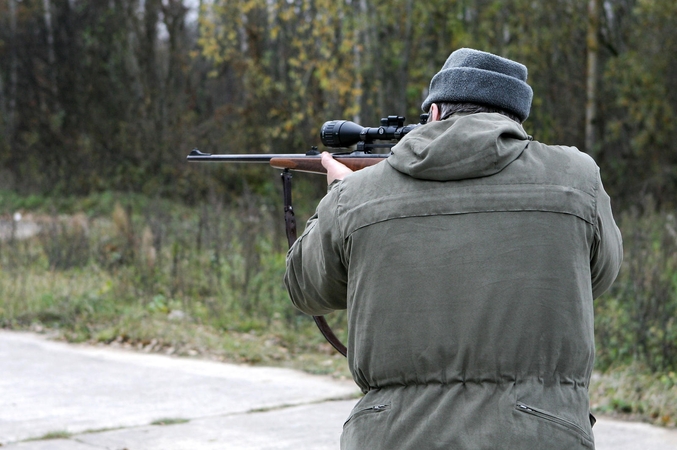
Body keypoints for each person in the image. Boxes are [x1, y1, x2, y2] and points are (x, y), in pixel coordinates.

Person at [284, 48, 623, 449]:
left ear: (434, 112)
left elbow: (306, 289)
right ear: (514, 119)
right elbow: (599, 275)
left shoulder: (356, 195)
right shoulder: (577, 178)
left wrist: (338, 196)